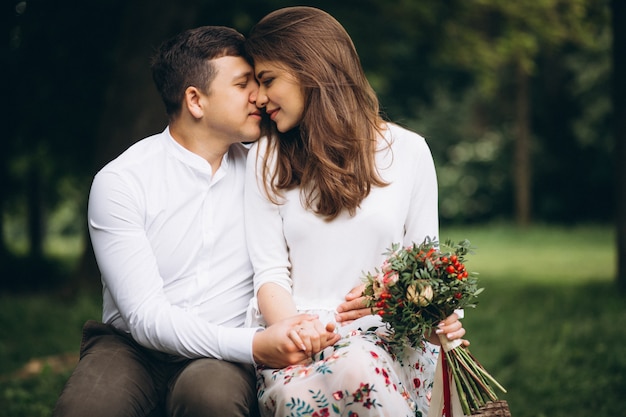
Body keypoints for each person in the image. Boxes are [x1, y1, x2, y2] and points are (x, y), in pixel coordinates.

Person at [52, 26, 340, 417]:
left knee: (211, 398)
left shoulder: (267, 170)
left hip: (222, 357)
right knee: (86, 409)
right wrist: (256, 344)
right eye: (243, 85)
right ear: (195, 100)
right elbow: (145, 318)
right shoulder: (122, 181)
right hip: (132, 347)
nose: (259, 96)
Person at [243, 6, 467, 417]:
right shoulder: (266, 157)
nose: (257, 98)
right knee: (342, 374)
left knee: (360, 365)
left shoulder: (409, 151)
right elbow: (270, 273)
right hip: (299, 339)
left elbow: (425, 265)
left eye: (267, 79)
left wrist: (424, 311)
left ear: (310, 68)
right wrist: (301, 335)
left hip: (391, 337)